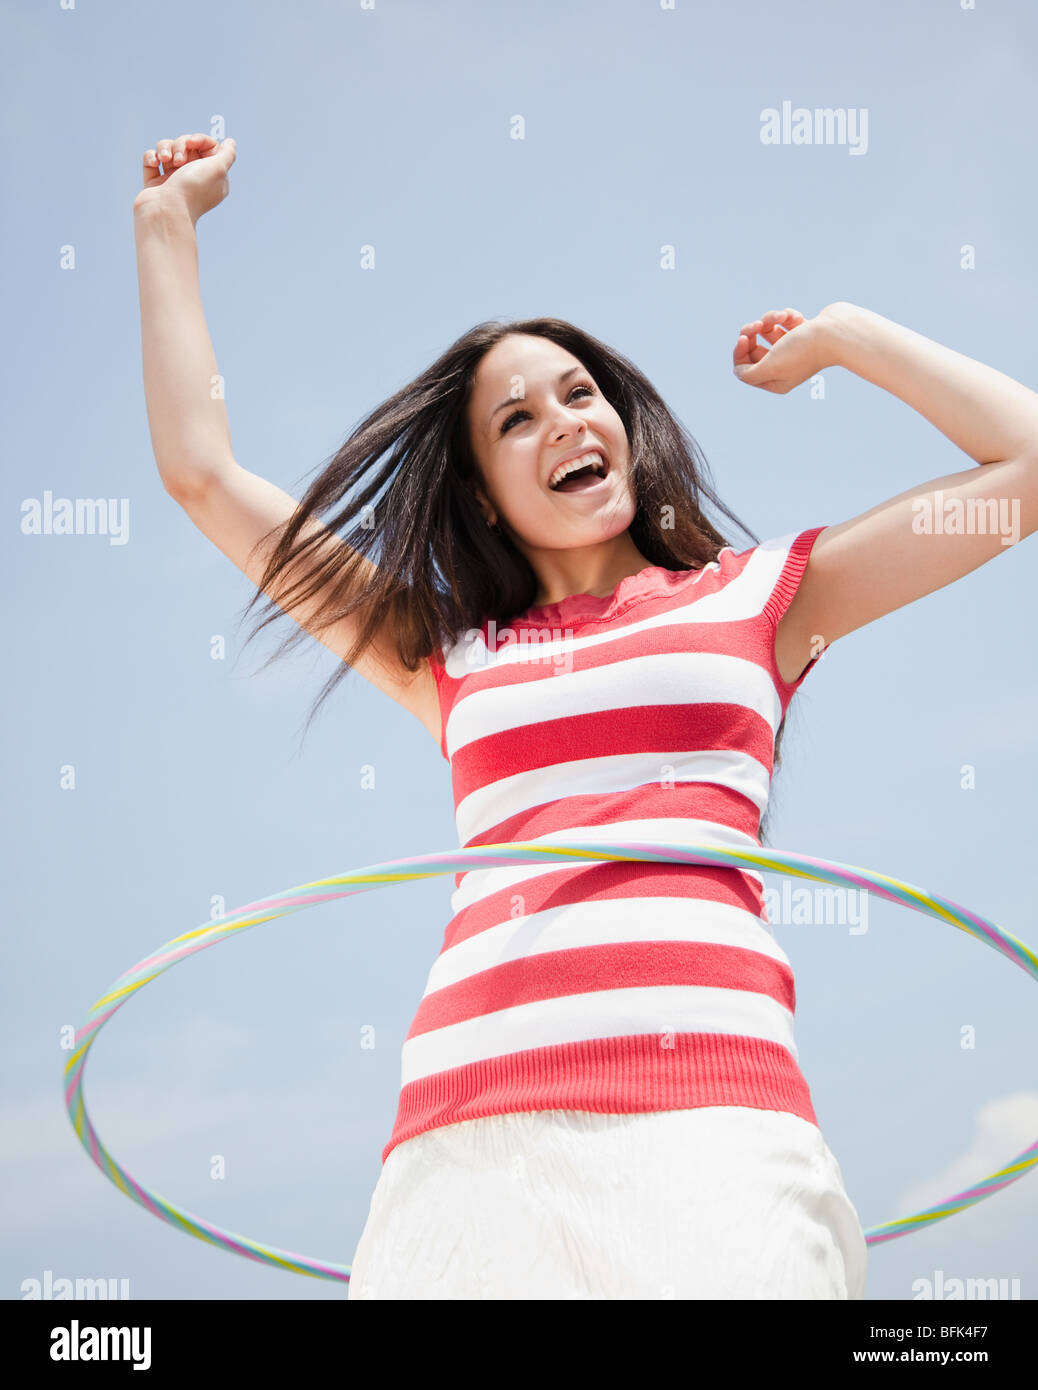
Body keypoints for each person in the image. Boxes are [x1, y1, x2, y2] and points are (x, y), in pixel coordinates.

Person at [135, 134, 1038, 1300]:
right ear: (482, 494)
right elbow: (202, 474)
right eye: (515, 420)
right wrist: (168, 225)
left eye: (578, 393)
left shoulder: (762, 599)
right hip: (466, 1155)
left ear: (623, 424)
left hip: (715, 1128)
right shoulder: (445, 654)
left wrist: (853, 337)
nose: (563, 421)